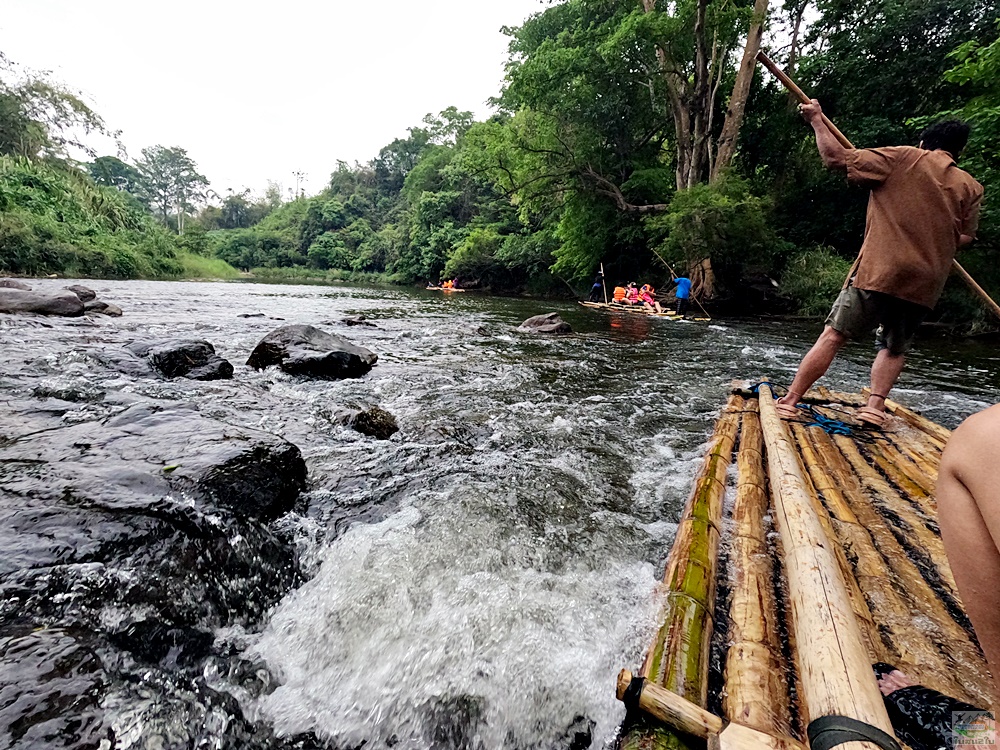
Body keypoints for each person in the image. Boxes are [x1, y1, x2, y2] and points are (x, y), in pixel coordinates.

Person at [775, 101, 983, 427]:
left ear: (924, 144)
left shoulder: (903, 157)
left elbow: (834, 158)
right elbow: (965, 239)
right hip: (925, 279)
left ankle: (790, 400)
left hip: (881, 269)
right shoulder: (970, 186)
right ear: (958, 151)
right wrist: (932, 235)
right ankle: (874, 407)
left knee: (834, 334)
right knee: (894, 346)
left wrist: (816, 119)